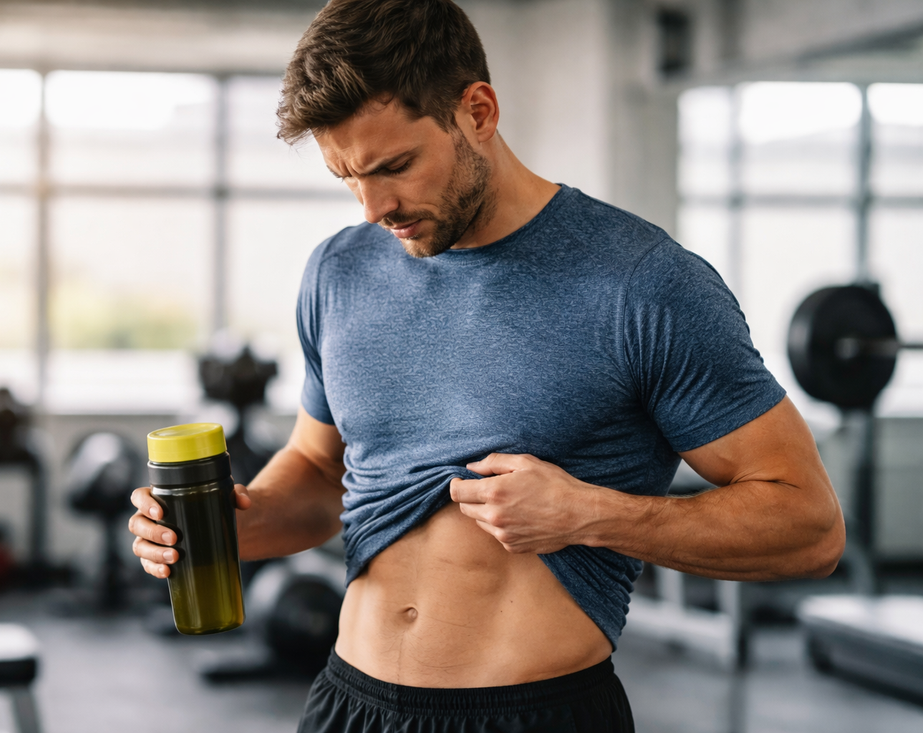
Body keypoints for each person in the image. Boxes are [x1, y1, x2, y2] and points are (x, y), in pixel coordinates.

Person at [129, 1, 846, 730]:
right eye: (347, 176)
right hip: (351, 702)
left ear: (477, 111)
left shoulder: (642, 282)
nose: (375, 208)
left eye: (395, 166)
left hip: (533, 713)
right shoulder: (338, 272)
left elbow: (810, 526)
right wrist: (236, 526)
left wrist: (590, 512)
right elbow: (319, 470)